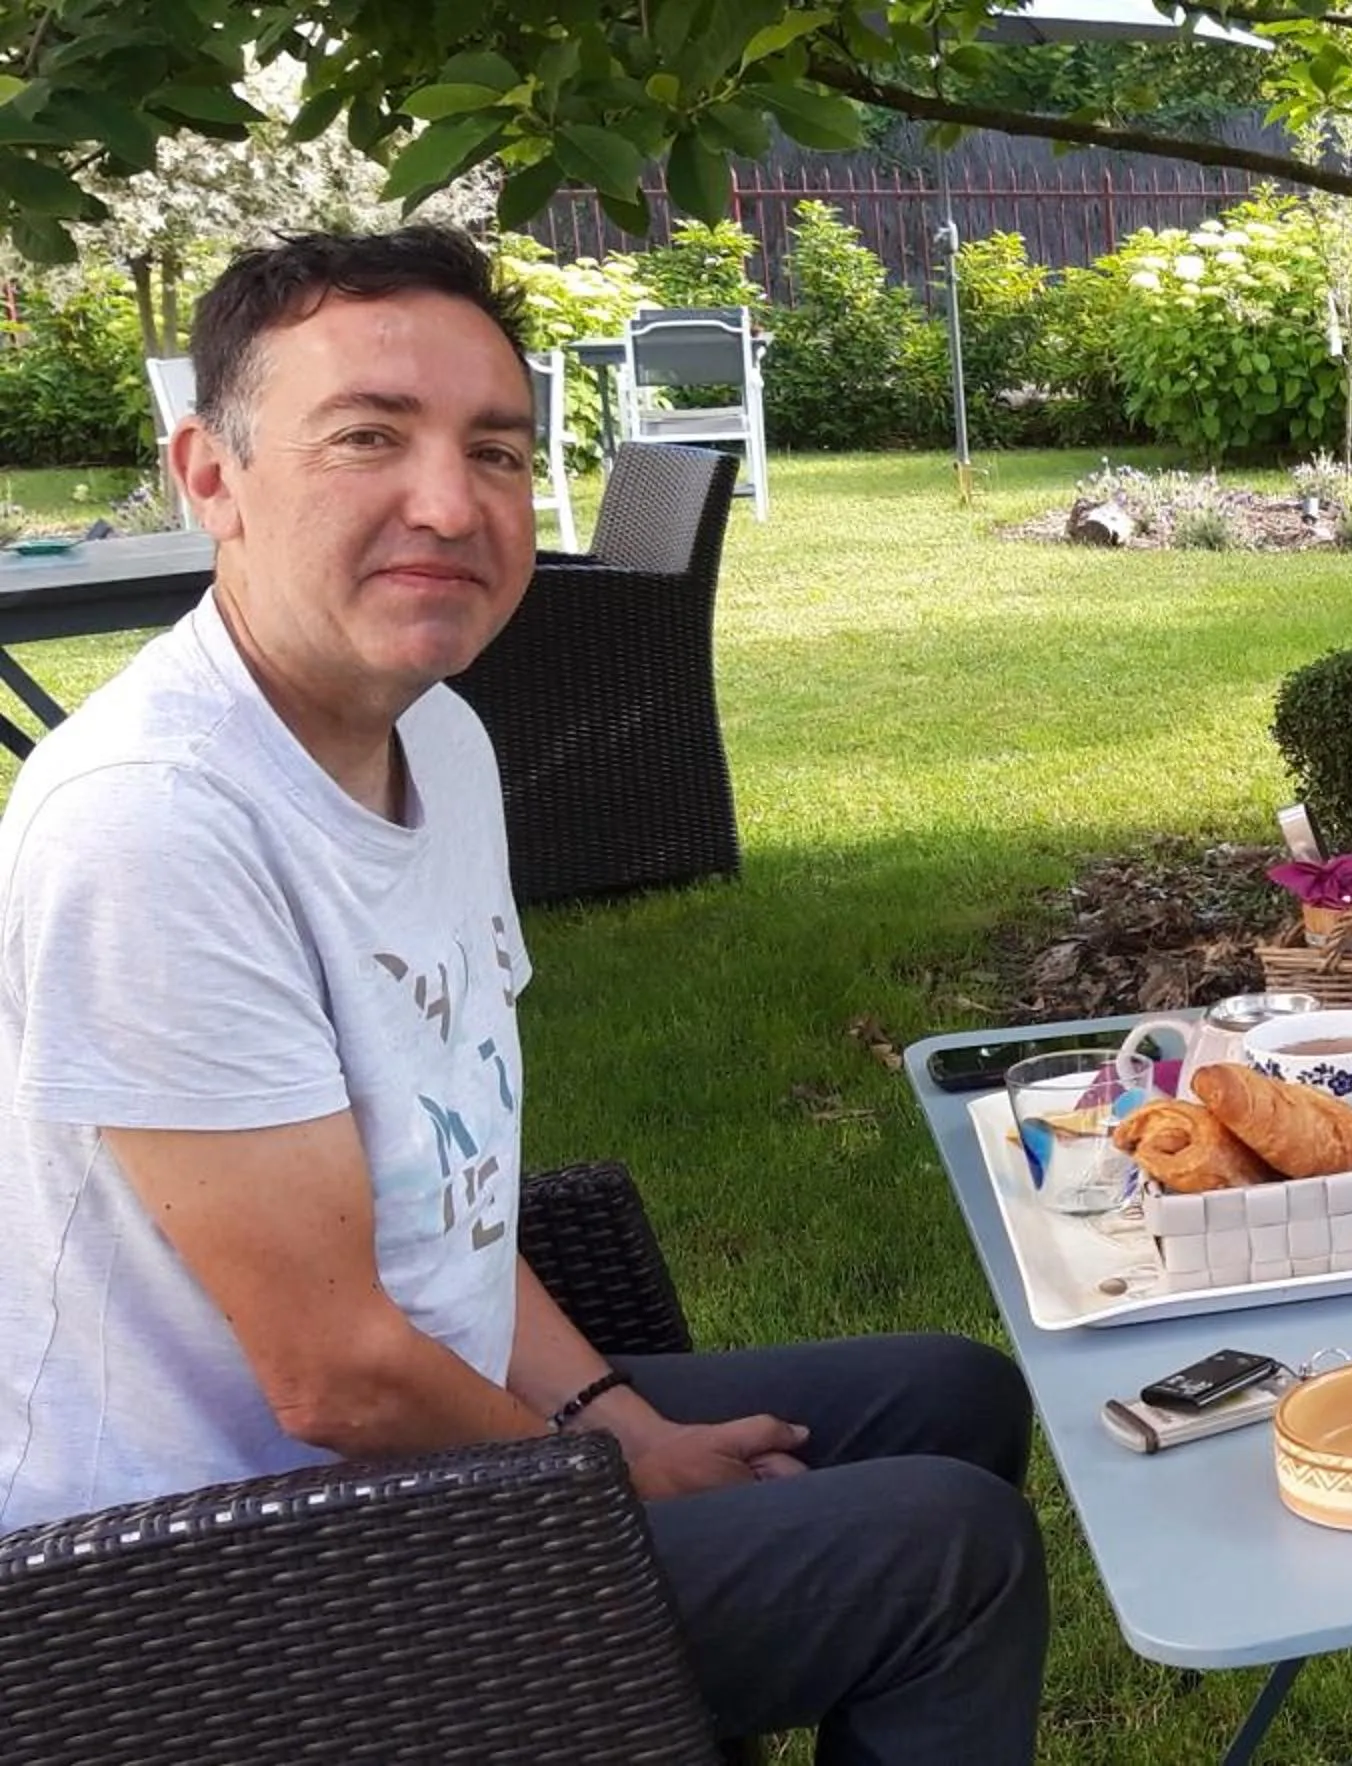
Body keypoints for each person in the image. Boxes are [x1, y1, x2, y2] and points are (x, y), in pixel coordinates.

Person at [0, 227, 1047, 1766]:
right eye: (368, 436)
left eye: (494, 449)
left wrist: (609, 1412)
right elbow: (334, 1375)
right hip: (188, 1586)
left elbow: (456, 1199)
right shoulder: (158, 817)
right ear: (208, 477)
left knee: (945, 1395)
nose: (449, 501)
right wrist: (616, 1480)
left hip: (411, 1445)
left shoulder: (445, 741)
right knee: (946, 1553)